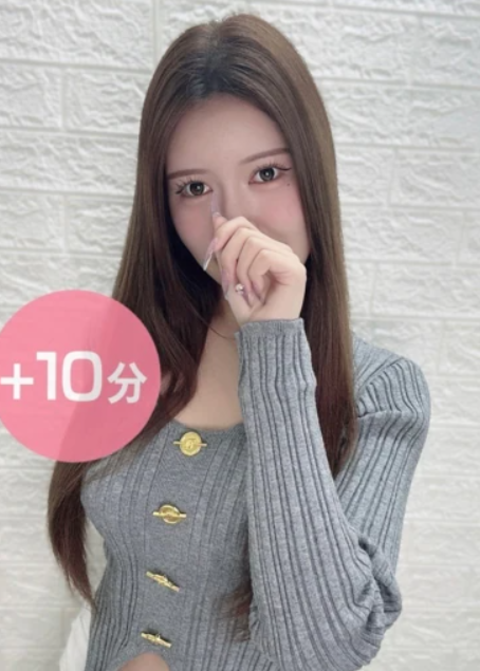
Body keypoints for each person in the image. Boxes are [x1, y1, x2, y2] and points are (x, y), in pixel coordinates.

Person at [51, 12, 431, 671]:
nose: (232, 222)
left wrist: (273, 344)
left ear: (313, 172)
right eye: (194, 188)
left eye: (267, 173)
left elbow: (323, 650)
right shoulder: (133, 351)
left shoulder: (382, 394)